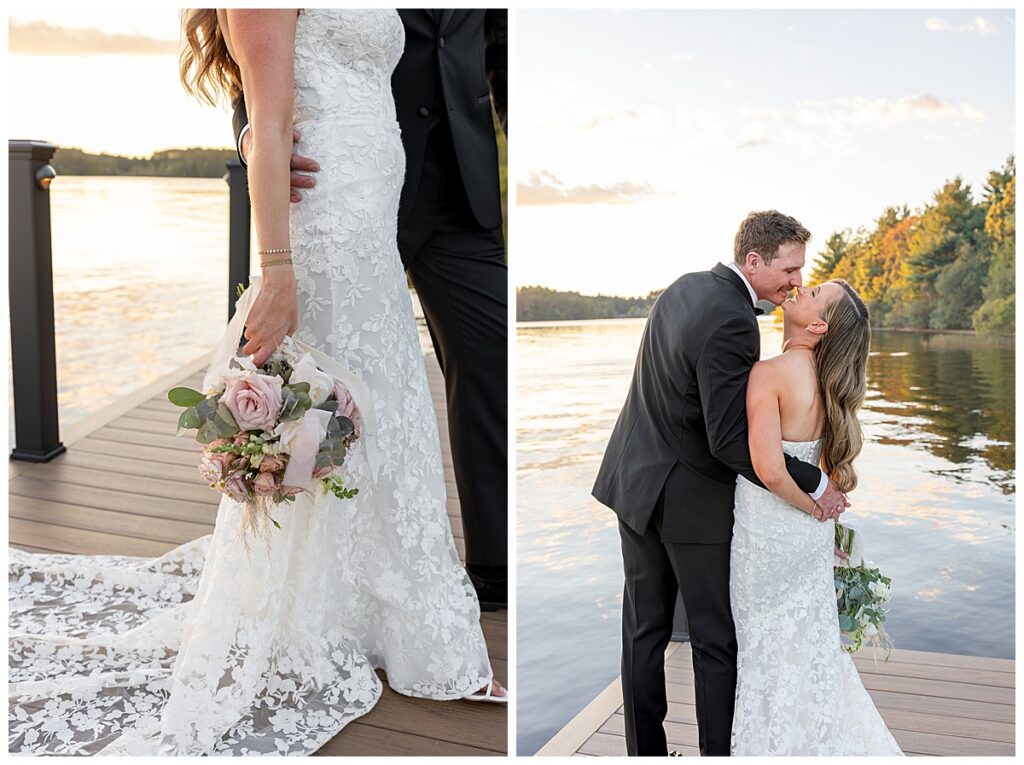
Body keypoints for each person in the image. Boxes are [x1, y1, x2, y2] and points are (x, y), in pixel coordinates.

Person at [7, 9, 503, 757]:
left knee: (389, 409)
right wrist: (276, 269)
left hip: (376, 208)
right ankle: (372, 624)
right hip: (324, 206)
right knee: (335, 410)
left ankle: (384, 613)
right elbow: (269, 119)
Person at [232, 9, 509, 610]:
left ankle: (485, 568)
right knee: (328, 373)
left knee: (464, 372)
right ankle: (311, 590)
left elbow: (499, 51)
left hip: (456, 185)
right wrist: (256, 137)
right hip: (332, 188)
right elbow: (261, 64)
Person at [592, 210, 850, 756]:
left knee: (644, 631)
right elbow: (730, 442)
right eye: (789, 268)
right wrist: (815, 479)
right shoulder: (735, 320)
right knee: (714, 641)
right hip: (688, 503)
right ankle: (716, 754)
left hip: (632, 481)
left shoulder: (682, 289)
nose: (796, 281)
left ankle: (645, 753)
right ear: (753, 261)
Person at [730, 278, 902, 755]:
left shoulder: (769, 373)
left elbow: (768, 468)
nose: (801, 289)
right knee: (808, 649)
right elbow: (820, 470)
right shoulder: (829, 384)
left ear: (819, 323)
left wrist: (814, 504)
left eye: (813, 293)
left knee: (767, 653)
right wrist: (820, 513)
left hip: (765, 536)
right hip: (805, 540)